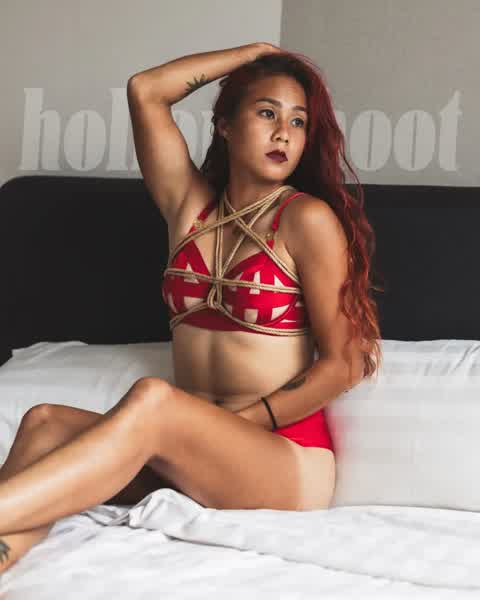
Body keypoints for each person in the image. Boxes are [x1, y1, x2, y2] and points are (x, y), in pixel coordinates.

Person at [0, 42, 383, 573]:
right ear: (224, 125)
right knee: (43, 423)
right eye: (266, 113)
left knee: (154, 400)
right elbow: (146, 91)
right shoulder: (190, 210)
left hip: (282, 458)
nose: (283, 133)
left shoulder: (306, 219)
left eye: (298, 122)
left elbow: (345, 362)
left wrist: (238, 422)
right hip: (193, 457)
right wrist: (253, 54)